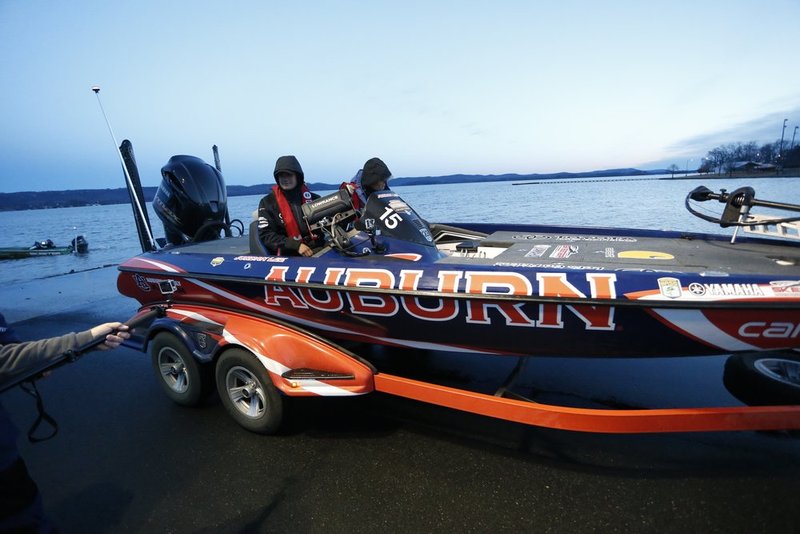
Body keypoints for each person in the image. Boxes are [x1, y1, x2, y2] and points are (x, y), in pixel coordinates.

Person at [0, 313, 130, 532]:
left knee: (28, 514)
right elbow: (5, 360)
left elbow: (12, 353)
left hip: (6, 455)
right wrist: (85, 339)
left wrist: (35, 365)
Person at [257, 155, 323, 257]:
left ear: (298, 176)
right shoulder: (267, 203)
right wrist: (296, 246)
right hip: (289, 255)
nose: (285, 179)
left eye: (289, 175)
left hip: (319, 248)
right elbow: (266, 235)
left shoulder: (315, 199)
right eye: (281, 176)